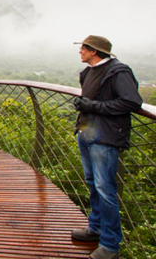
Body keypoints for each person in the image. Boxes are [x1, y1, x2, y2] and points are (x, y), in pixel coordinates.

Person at [71, 36, 142, 259]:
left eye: (83, 48)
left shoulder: (118, 71)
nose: (80, 51)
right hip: (86, 133)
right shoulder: (87, 72)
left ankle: (110, 245)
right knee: (93, 183)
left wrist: (92, 105)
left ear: (94, 51)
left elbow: (131, 102)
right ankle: (96, 228)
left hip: (105, 138)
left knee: (105, 189)